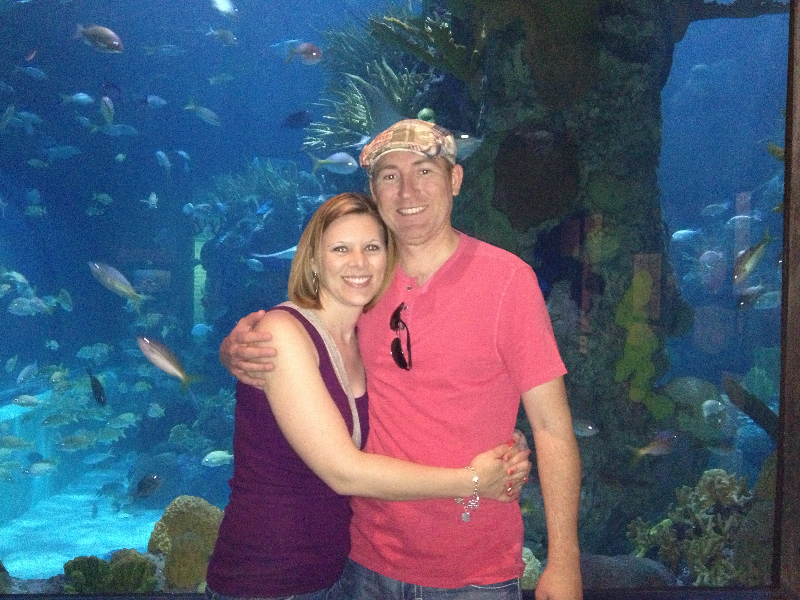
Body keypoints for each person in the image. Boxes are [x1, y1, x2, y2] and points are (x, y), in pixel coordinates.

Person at [221, 121, 583, 600]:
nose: (407, 190)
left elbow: (553, 427)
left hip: (473, 569)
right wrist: (235, 348)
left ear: (455, 179)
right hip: (363, 561)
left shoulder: (507, 281)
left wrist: (564, 561)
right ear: (374, 191)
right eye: (390, 175)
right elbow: (302, 334)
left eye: (424, 171)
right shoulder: (364, 283)